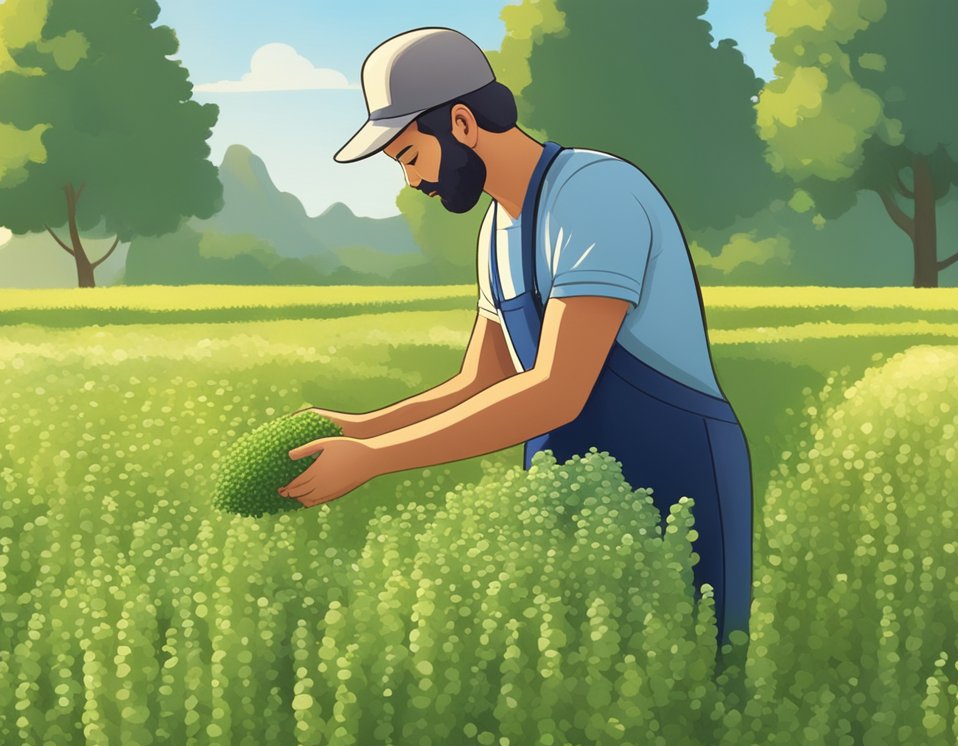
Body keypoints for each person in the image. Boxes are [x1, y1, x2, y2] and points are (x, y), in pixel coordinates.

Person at [276, 27, 753, 646]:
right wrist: (360, 428)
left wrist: (376, 459)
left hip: (675, 477)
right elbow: (483, 381)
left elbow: (557, 392)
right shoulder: (497, 232)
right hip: (564, 483)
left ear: (463, 124)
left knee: (688, 677)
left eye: (411, 157)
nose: (412, 183)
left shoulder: (594, 195)